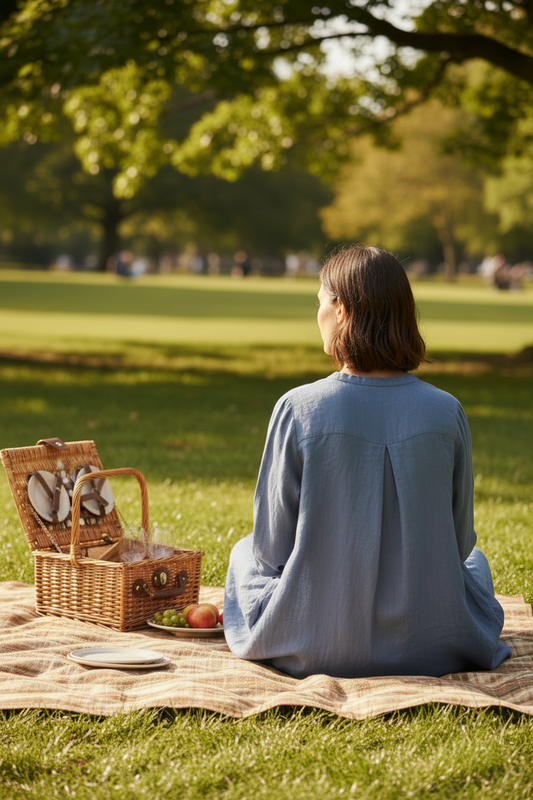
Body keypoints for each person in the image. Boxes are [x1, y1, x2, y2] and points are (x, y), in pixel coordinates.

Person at [223, 245, 511, 679]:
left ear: (340, 309)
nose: (316, 314)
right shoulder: (446, 410)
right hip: (434, 644)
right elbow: (458, 543)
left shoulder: (297, 408)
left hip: (314, 644)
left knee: (243, 552)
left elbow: (270, 548)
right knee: (477, 563)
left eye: (319, 302)